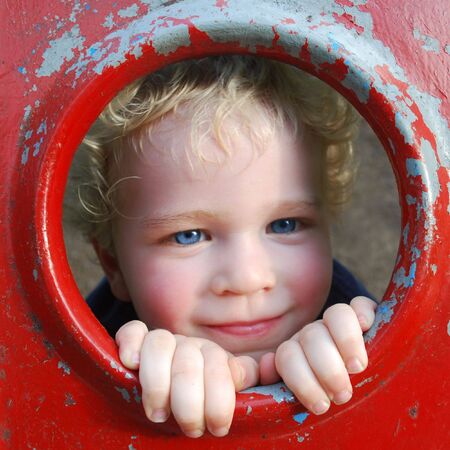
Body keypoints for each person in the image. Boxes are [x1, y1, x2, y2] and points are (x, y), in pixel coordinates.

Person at [67, 55, 378, 438]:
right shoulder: (77, 365)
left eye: (285, 224)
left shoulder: (355, 331)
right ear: (113, 265)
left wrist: (360, 360)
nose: (247, 278)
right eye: (189, 235)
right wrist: (143, 385)